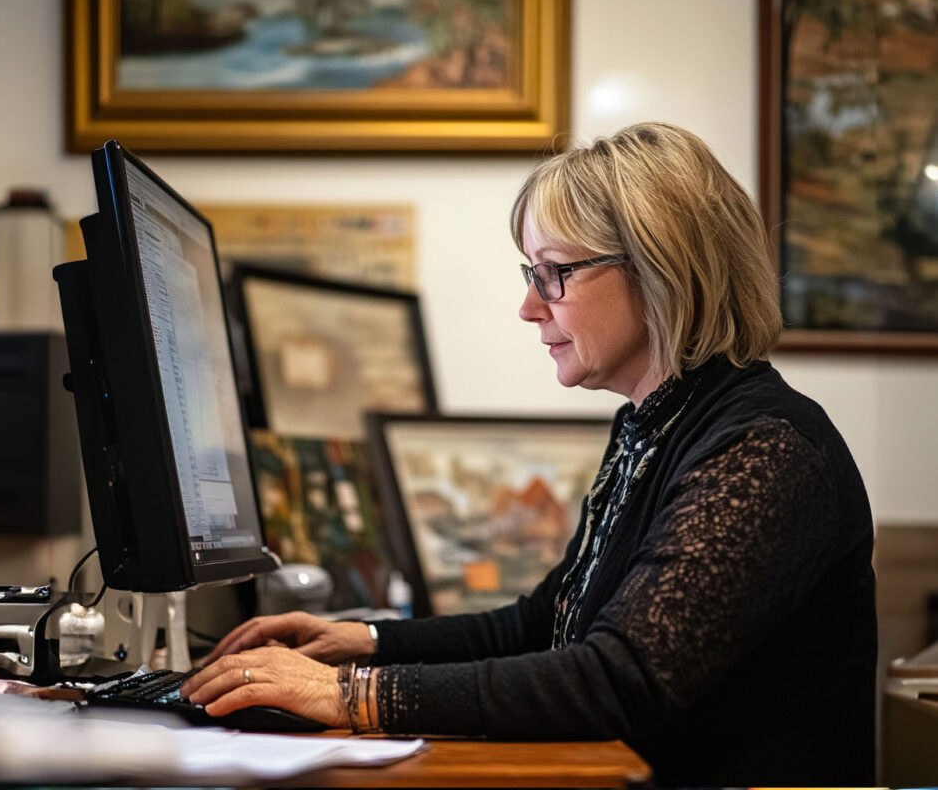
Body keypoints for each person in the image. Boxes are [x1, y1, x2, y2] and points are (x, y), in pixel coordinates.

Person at [180, 122, 877, 786]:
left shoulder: (763, 451)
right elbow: (544, 623)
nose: (528, 307)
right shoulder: (652, 427)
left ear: (658, 269)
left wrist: (351, 695)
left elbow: (616, 681)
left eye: (552, 273)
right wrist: (359, 642)